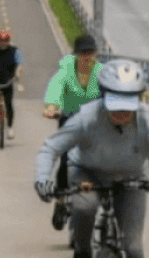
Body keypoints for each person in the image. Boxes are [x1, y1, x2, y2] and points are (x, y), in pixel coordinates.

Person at [34, 59, 149, 258]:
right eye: (115, 104)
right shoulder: (87, 117)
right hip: (87, 174)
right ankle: (82, 251)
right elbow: (51, 147)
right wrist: (42, 180)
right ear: (103, 97)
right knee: (85, 207)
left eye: (128, 104)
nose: (122, 112)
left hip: (132, 179)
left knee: (133, 248)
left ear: (138, 100)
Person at [42, 34, 103, 230]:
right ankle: (60, 199)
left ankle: (107, 206)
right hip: (69, 120)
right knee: (66, 160)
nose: (87, 57)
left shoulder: (101, 73)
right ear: (76, 54)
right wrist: (52, 105)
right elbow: (56, 85)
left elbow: (112, 91)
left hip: (93, 125)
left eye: (90, 53)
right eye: (83, 53)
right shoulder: (67, 69)